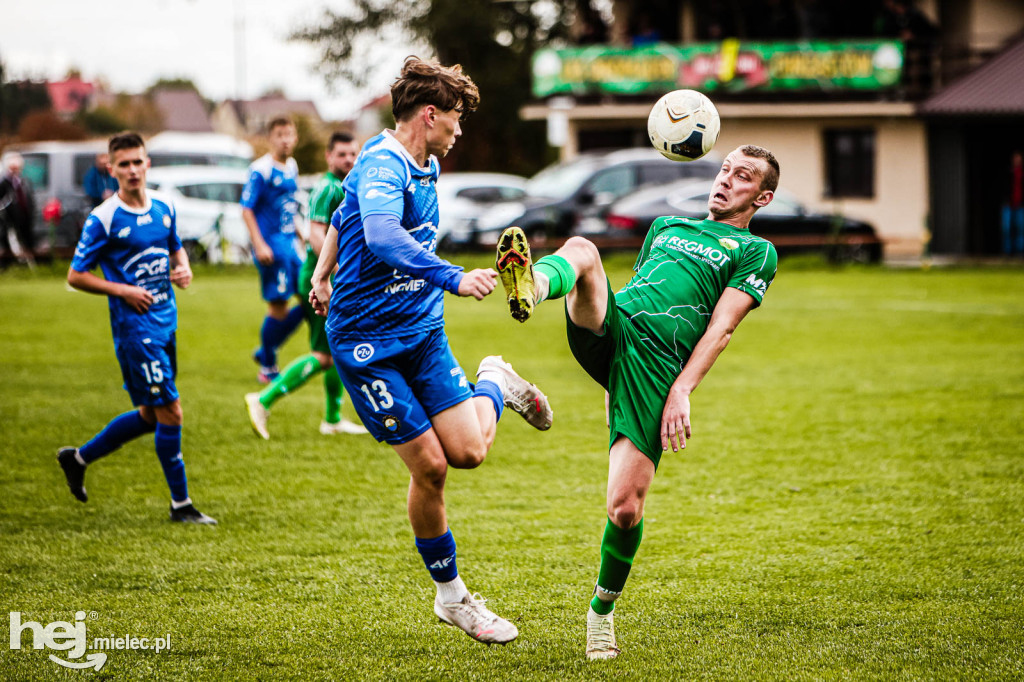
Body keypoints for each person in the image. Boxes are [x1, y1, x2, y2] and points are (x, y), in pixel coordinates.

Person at [496, 145, 781, 660]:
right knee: (583, 250)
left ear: (761, 197)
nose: (725, 181)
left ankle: (600, 613)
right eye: (724, 170)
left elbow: (721, 328)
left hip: (655, 368)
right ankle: (531, 286)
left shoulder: (755, 253)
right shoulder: (666, 226)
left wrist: (681, 390)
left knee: (624, 509)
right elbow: (639, 288)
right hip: (617, 326)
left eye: (741, 177)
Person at [308, 56, 554, 645]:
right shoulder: (381, 165)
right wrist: (451, 276)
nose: (460, 130)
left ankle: (493, 377)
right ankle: (453, 599)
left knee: (468, 453)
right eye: (456, 119)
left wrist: (321, 271)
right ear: (429, 114)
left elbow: (342, 217)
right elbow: (380, 233)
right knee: (433, 467)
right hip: (368, 344)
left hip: (421, 332)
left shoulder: (427, 162)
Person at [57, 132, 216, 525]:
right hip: (135, 331)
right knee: (172, 412)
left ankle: (78, 459)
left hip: (166, 321)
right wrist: (122, 290)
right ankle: (181, 505)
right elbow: (76, 276)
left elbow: (175, 244)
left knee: (150, 414)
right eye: (123, 164)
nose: (131, 170)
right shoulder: (104, 218)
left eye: (137, 162)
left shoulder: (164, 206)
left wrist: (184, 267)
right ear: (111, 169)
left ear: (148, 164)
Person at [245, 132, 368, 438]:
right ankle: (263, 399)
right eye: (342, 154)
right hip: (320, 282)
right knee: (326, 354)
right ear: (328, 156)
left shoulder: (344, 186)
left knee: (335, 351)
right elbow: (317, 236)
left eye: (353, 154)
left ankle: (332, 418)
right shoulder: (327, 189)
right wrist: (336, 273)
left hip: (329, 281)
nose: (349, 160)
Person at [241, 116, 304, 384]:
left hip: (291, 246)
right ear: (271, 138)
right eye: (280, 135)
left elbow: (291, 206)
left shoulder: (292, 166)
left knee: (311, 298)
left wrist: (303, 234)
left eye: (289, 134)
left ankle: (266, 348)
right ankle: (268, 365)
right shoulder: (261, 170)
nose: (285, 139)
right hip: (271, 248)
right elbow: (246, 209)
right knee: (278, 307)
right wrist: (259, 244)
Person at [0, 152, 37, 265]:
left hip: (24, 220)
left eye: (17, 168)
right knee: (10, 245)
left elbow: (29, 200)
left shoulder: (23, 182)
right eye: (12, 168)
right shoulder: (3, 184)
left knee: (27, 245)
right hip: (8, 222)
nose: (15, 171)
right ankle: (9, 267)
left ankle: (25, 267)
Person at [1002, 150, 1023, 256]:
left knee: (1020, 229)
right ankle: (1008, 253)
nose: (1017, 161)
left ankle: (1020, 252)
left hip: (1020, 205)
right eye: (1015, 159)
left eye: (1019, 159)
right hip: (1008, 205)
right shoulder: (1008, 173)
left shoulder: (1022, 174)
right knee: (1007, 229)